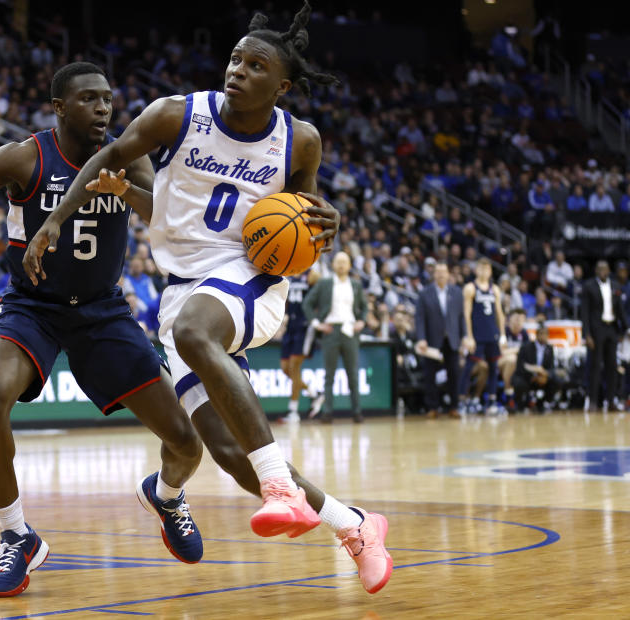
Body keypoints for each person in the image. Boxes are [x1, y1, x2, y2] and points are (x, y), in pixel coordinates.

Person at [23, 6, 392, 594]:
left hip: (252, 278)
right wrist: (51, 224)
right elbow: (106, 158)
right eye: (235, 59)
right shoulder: (176, 115)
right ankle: (356, 525)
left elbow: (308, 223)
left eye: (256, 65)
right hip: (182, 290)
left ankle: (280, 488)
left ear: (283, 85)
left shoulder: (301, 140)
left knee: (200, 337)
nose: (239, 70)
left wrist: (330, 220)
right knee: (228, 452)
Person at [0, 62, 205, 597]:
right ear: (60, 108)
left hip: (103, 310)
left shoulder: (125, 156)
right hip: (32, 306)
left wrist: (126, 191)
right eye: (89, 99)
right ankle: (16, 535)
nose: (104, 109)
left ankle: (167, 495)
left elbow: (167, 223)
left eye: (108, 99)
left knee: (185, 441)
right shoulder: (25, 156)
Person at [303, 252, 367, 423]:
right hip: (331, 331)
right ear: (333, 264)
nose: (341, 265)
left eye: (344, 262)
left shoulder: (356, 285)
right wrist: (317, 324)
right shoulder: (325, 283)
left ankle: (357, 412)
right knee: (329, 375)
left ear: (349, 265)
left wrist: (362, 321)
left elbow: (364, 307)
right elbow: (307, 303)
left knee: (352, 374)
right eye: (338, 262)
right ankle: (328, 412)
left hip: (350, 331)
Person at [414, 262, 464, 419]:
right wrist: (421, 338)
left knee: (454, 374)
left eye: (444, 271)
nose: (441, 274)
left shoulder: (457, 292)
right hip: (431, 341)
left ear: (449, 274)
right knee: (430, 375)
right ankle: (432, 407)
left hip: (452, 340)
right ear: (434, 274)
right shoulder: (424, 293)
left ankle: (454, 406)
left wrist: (465, 337)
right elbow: (419, 318)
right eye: (438, 272)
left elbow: (461, 318)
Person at [582, 260, 626, 412]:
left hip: (611, 329)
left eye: (605, 269)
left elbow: (620, 310)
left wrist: (625, 329)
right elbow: (585, 312)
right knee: (595, 366)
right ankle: (593, 401)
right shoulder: (589, 286)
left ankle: (611, 401)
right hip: (596, 330)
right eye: (600, 269)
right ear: (596, 271)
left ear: (608, 271)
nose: (602, 272)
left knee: (612, 366)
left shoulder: (615, 286)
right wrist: (586, 334)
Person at [279, 269, 324, 420]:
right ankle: (315, 393)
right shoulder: (288, 273)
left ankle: (293, 411)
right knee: (286, 369)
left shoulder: (312, 274)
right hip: (290, 325)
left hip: (304, 327)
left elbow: (320, 296)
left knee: (294, 367)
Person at [463, 258, 505, 414]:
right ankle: (463, 399)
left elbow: (499, 314)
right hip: (477, 335)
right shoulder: (470, 288)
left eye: (487, 269)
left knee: (493, 368)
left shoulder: (495, 289)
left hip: (492, 334)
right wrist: (469, 336)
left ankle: (492, 400)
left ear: (490, 271)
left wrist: (503, 335)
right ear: (476, 270)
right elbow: (466, 314)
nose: (484, 271)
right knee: (469, 367)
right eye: (481, 268)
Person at [510, 323, 559, 412]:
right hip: (527, 376)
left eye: (546, 334)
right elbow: (520, 366)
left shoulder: (550, 348)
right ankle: (520, 404)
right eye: (541, 333)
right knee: (518, 382)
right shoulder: (526, 347)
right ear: (536, 335)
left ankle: (542, 403)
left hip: (541, 377)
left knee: (556, 380)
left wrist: (546, 375)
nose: (544, 336)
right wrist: (533, 376)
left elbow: (551, 368)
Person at [499, 308, 530, 410]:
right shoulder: (504, 332)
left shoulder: (524, 334)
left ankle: (521, 398)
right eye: (516, 319)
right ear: (509, 320)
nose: (518, 322)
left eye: (521, 320)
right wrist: (517, 349)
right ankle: (508, 394)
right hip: (499, 361)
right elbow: (501, 352)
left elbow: (527, 352)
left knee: (516, 360)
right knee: (511, 359)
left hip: (517, 365)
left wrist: (515, 351)